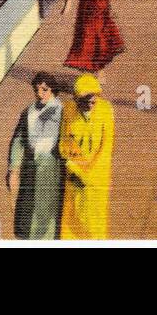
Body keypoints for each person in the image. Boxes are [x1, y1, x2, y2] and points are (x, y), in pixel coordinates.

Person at [7, 72, 65, 239]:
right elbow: (18, 139)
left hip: (53, 168)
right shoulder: (28, 112)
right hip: (31, 168)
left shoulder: (63, 111)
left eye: (44, 90)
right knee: (27, 209)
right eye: (36, 90)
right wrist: (14, 167)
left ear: (53, 90)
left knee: (49, 211)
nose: (40, 94)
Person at [59, 74, 115, 240]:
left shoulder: (106, 110)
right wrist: (73, 167)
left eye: (94, 99)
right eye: (85, 100)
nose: (91, 103)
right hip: (74, 175)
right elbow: (64, 143)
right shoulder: (68, 110)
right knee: (72, 218)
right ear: (76, 99)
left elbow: (106, 147)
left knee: (94, 221)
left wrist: (88, 174)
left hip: (96, 177)